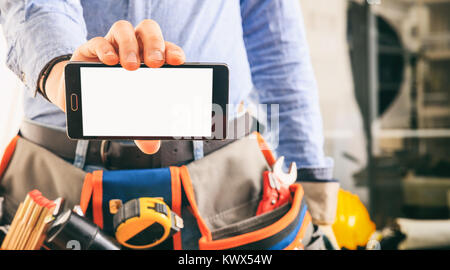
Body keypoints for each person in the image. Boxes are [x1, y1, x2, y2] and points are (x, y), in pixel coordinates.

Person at [0, 0, 338, 243]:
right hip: (58, 180)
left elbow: (276, 42)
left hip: (225, 186)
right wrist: (61, 72)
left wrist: (309, 177)